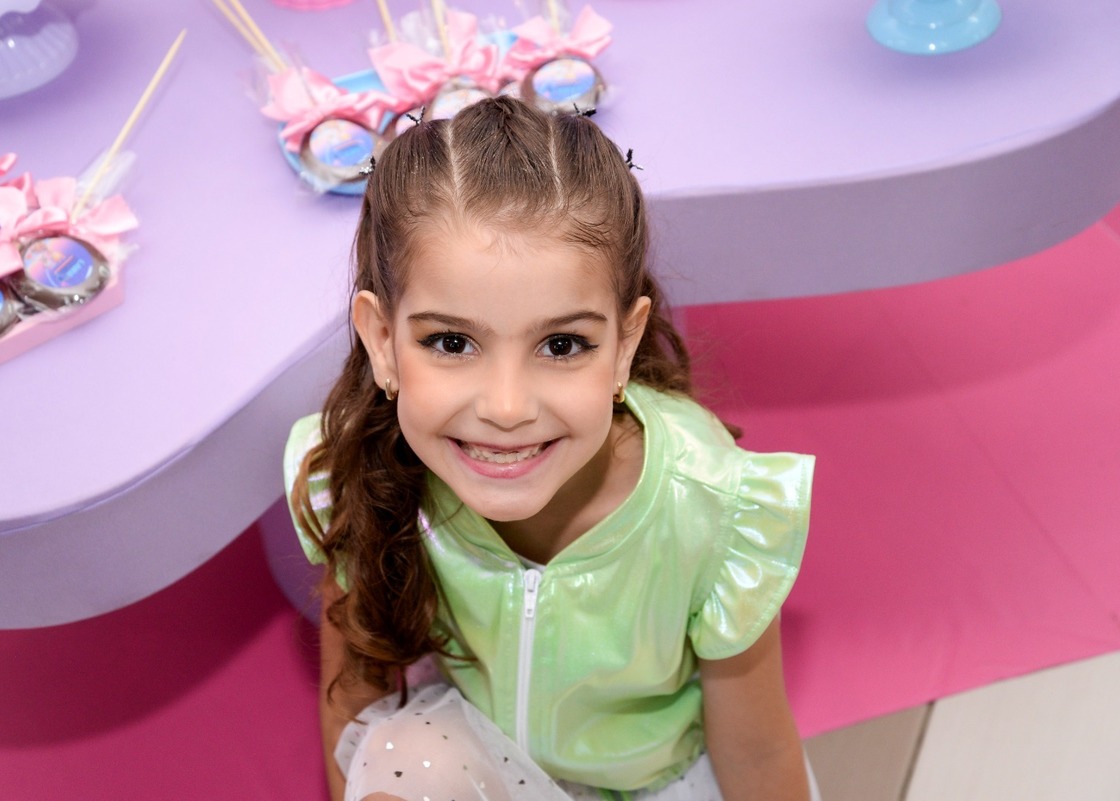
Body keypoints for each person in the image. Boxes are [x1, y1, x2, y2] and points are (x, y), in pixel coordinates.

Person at [284, 96, 818, 801]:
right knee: (405, 760)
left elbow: (757, 755)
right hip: (476, 763)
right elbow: (352, 707)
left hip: (657, 787)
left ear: (623, 344)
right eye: (452, 341)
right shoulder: (365, 469)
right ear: (383, 341)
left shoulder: (711, 510)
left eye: (562, 344)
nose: (507, 407)